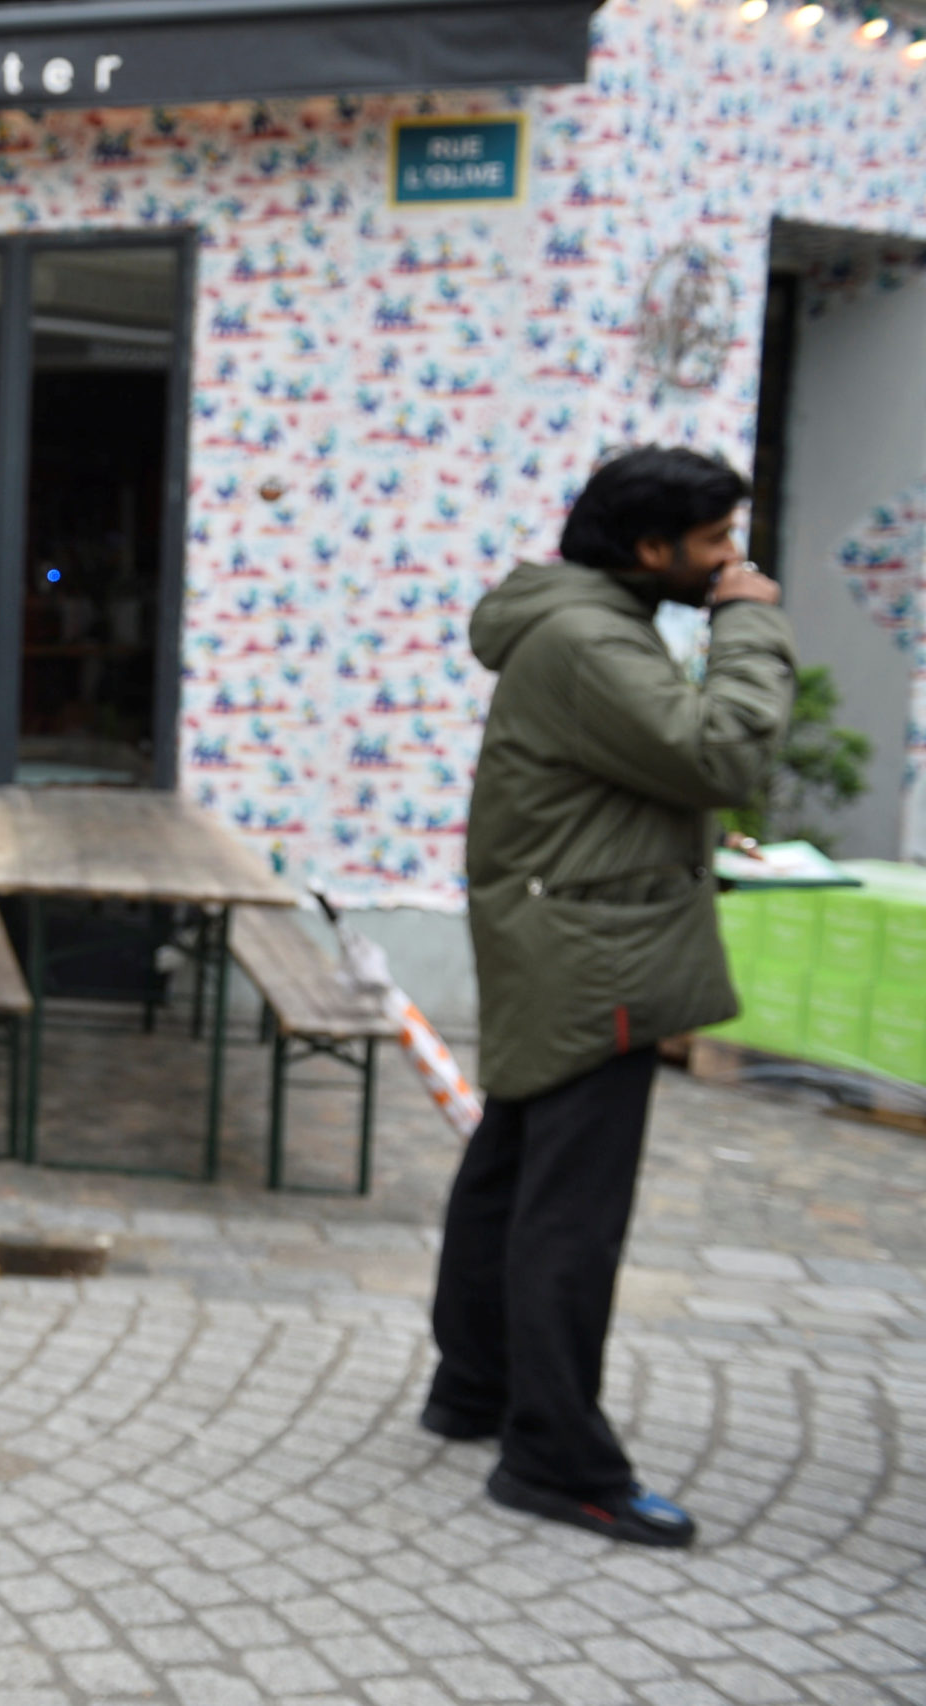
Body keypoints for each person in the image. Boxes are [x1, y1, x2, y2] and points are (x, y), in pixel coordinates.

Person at [426, 446, 793, 1547]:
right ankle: (555, 1458)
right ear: (649, 550)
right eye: (716, 541)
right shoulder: (590, 638)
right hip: (595, 951)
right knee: (568, 1217)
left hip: (567, 935)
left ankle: (474, 1389)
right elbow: (721, 752)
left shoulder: (579, 620)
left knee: (508, 1174)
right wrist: (750, 624)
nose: (733, 560)